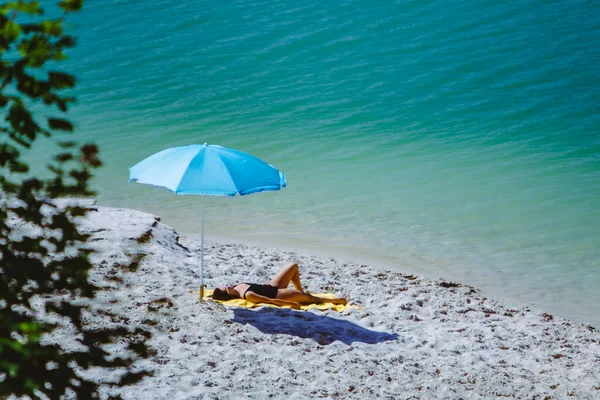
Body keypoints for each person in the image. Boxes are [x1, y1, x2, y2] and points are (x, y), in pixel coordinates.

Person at [212, 263, 348, 309]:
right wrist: (292, 304)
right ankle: (338, 301)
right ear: (230, 294)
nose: (228, 285)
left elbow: (258, 285)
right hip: (278, 294)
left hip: (272, 286)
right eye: (226, 288)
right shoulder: (248, 295)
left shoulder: (236, 286)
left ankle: (301, 291)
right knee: (314, 300)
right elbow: (270, 301)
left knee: (293, 266)